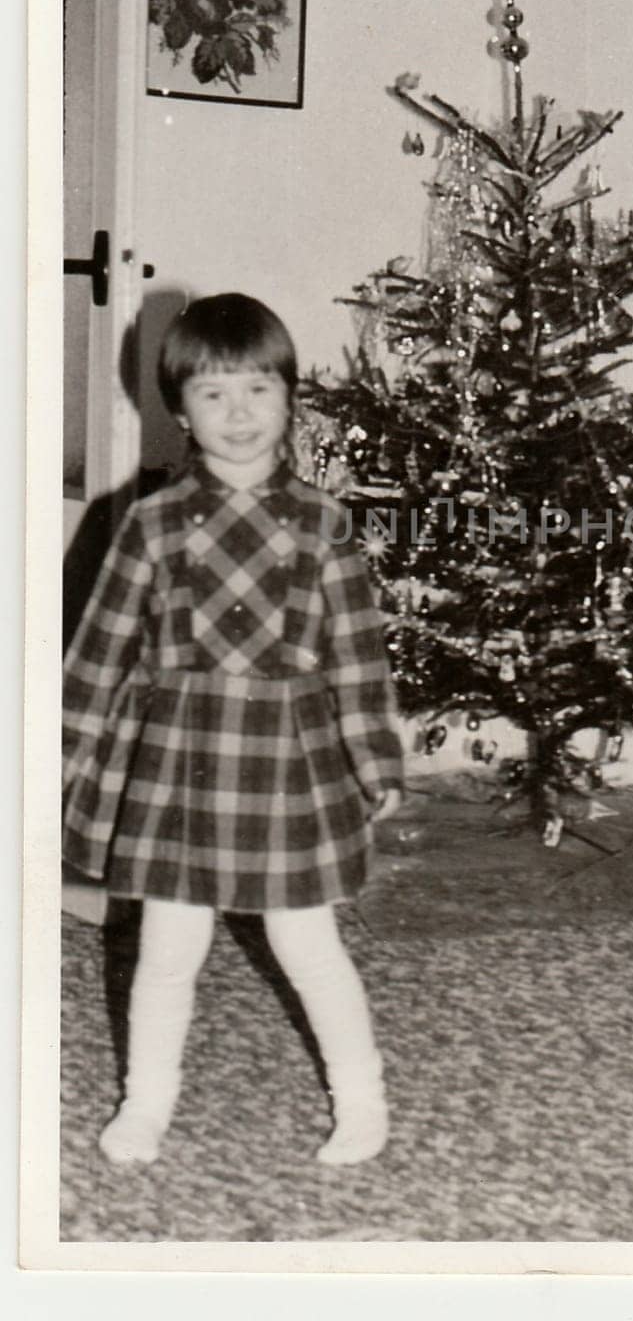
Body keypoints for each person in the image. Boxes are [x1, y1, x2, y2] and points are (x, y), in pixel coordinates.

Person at [62, 293, 404, 1168]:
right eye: (214, 395)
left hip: (288, 761)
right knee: (167, 950)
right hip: (179, 760)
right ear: (177, 410)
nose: (240, 413)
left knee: (309, 946)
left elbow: (355, 659)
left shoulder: (323, 523)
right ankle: (147, 1103)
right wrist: (63, 754)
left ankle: (361, 1100)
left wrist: (374, 759)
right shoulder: (149, 523)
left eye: (258, 389)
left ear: (290, 398)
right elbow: (102, 650)